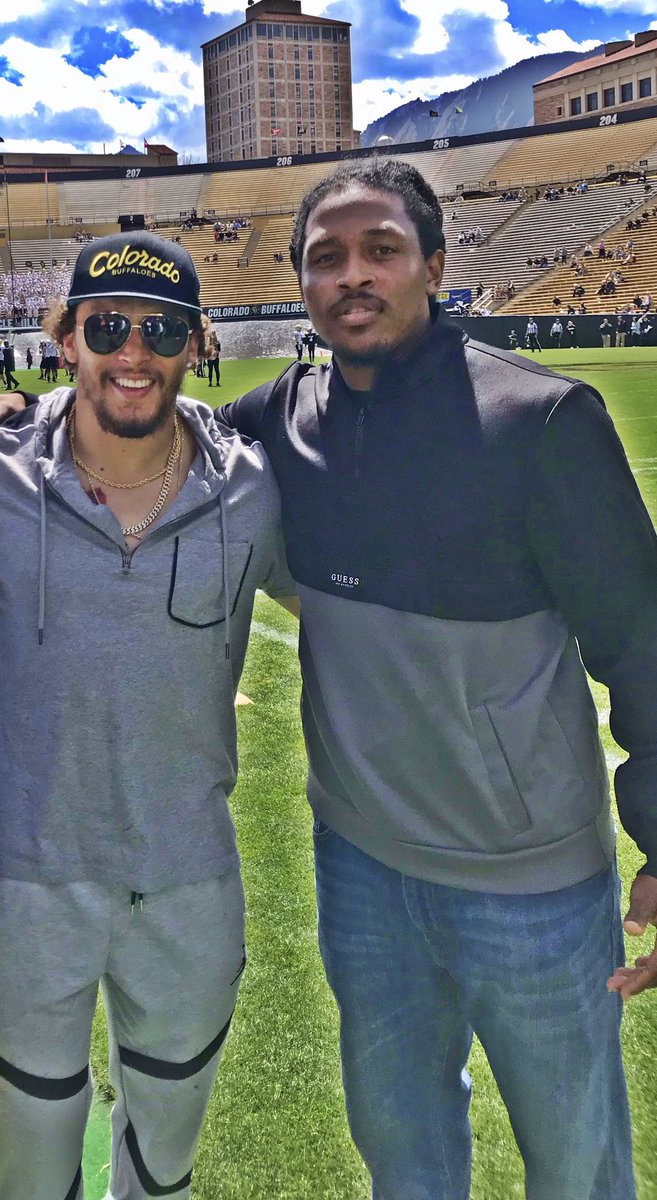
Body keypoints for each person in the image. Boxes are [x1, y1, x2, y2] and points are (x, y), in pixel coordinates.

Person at [210, 156, 657, 1200]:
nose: (352, 276)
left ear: (435, 267)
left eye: (381, 250)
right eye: (326, 258)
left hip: (533, 883)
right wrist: (27, 413)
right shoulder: (279, 418)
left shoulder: (541, 419)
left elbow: (641, 640)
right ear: (302, 282)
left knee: (578, 1165)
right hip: (360, 868)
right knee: (402, 1156)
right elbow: (153, 441)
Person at [0, 232, 294, 1199]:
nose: (133, 352)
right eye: (107, 327)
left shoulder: (253, 484)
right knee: (30, 1175)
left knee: (162, 1169)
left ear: (197, 342)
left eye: (161, 329)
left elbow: (353, 612)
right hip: (25, 878)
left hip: (188, 875)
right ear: (65, 337)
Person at [205, 320, 221, 386]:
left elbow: (219, 350)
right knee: (210, 371)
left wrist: (215, 351)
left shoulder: (217, 343)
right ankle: (210, 382)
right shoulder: (208, 344)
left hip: (216, 358)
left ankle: (217, 382)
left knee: (217, 370)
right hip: (210, 359)